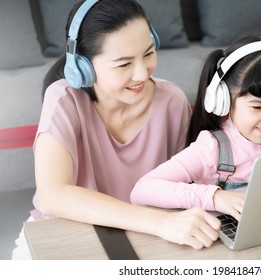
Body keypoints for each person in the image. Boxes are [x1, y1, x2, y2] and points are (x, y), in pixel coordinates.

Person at [12, 0, 220, 259]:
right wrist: (157, 223)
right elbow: (54, 196)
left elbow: (185, 183)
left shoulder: (172, 101)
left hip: (148, 235)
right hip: (69, 230)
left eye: (148, 53)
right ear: (83, 66)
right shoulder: (64, 99)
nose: (142, 74)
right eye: (123, 64)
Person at [130, 32, 261, 221]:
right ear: (223, 100)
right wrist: (215, 197)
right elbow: (143, 190)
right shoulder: (211, 148)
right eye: (258, 107)